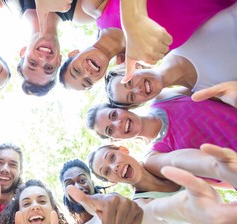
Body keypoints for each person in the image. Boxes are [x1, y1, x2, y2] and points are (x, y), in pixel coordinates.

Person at [87, 144, 237, 224]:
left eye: (112, 157)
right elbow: (154, 212)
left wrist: (218, 167)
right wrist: (183, 207)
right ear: (111, 181)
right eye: (106, 171)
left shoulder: (158, 161)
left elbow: (178, 159)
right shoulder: (139, 205)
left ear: (123, 149)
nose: (114, 167)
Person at [62, 0, 234, 89]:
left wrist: (132, 20)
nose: (87, 73)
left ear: (73, 53)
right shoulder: (149, 55)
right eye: (87, 82)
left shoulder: (93, 6)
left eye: (76, 70)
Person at [85, 93, 237, 186]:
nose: (118, 123)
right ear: (115, 140)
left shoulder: (164, 97)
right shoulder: (153, 159)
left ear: (121, 107)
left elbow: (217, 94)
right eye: (110, 130)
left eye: (113, 115)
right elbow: (210, 176)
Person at [105, 3, 237, 109]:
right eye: (132, 97)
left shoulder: (171, 37)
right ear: (141, 103)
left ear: (136, 66)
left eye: (129, 82)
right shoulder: (206, 94)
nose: (137, 89)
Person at [59, 159, 147, 224]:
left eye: (82, 180)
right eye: (69, 185)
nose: (77, 187)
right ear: (65, 193)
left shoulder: (113, 207)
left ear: (92, 183)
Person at [16, 0, 93, 96]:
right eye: (48, 67)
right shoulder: (84, 12)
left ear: (23, 52)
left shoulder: (11, 3)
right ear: (59, 61)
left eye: (32, 63)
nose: (43, 58)